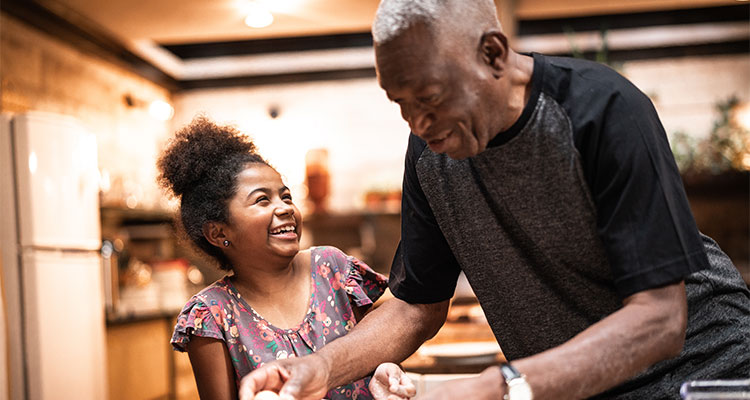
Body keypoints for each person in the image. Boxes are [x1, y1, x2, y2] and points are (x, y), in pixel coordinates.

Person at [238, 0, 750, 399]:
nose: (417, 123)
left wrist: (494, 386)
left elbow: (661, 318)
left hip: (707, 370)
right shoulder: (429, 154)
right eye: (401, 104)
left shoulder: (601, 110)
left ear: (493, 54)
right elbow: (416, 304)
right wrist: (319, 367)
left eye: (431, 98)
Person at [158, 116, 404, 400]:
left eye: (286, 197)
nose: (285, 208)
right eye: (263, 200)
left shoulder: (333, 269)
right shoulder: (211, 316)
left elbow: (377, 350)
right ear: (218, 232)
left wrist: (388, 369)